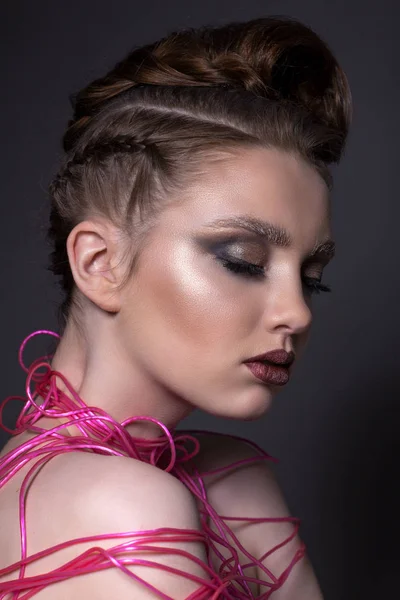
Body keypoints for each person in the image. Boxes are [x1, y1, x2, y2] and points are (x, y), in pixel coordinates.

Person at [0, 14, 352, 599]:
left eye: (312, 279)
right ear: (100, 264)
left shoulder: (233, 481)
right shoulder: (117, 504)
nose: (297, 312)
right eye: (243, 260)